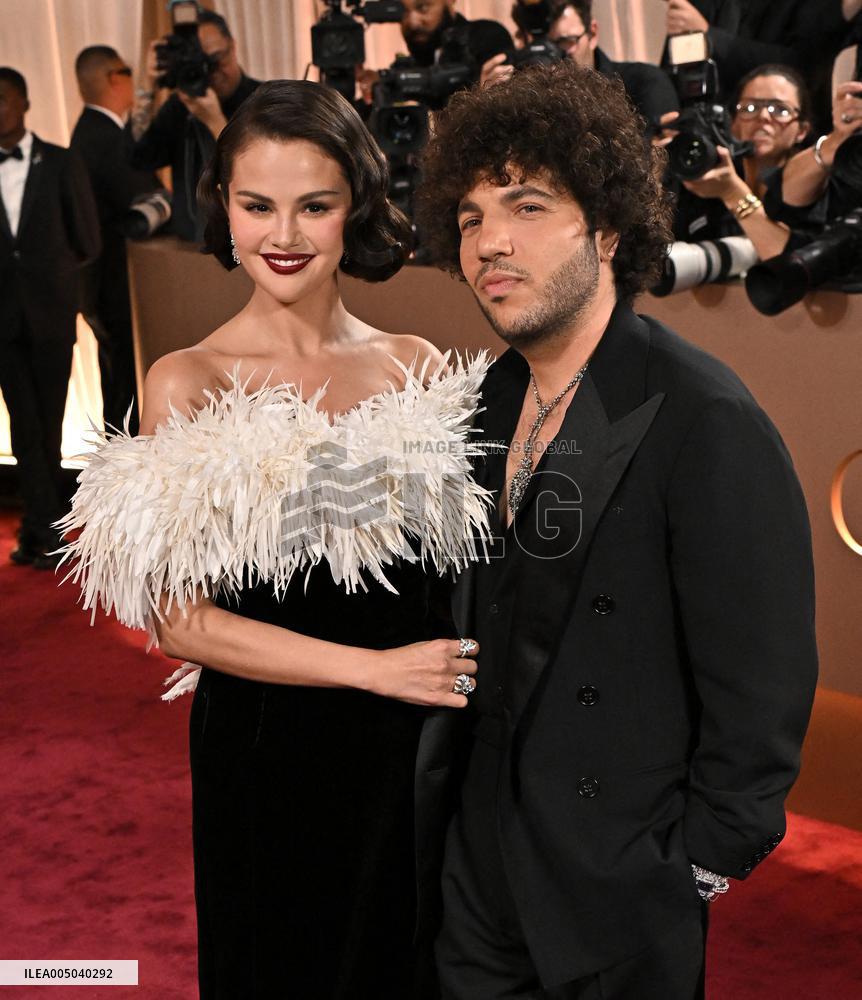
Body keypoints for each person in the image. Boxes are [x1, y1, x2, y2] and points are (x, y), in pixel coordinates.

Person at [58, 79, 493, 999]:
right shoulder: (188, 381)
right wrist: (372, 670)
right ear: (224, 206)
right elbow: (181, 626)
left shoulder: (415, 364)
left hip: (414, 743)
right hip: (271, 751)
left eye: (314, 206)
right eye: (258, 205)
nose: (284, 235)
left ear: (356, 209)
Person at [414, 62, 818, 998]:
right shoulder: (479, 404)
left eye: (524, 206)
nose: (490, 243)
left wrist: (691, 869)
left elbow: (760, 685)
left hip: (619, 888)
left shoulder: (703, 415)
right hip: (475, 874)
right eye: (471, 217)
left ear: (604, 227)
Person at [0, 67, 100, 569]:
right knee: (23, 422)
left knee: (50, 418)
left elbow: (87, 237)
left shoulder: (61, 162)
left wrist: (56, 282)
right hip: (2, 317)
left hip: (51, 311)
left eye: (2, 99)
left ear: (24, 102)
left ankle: (45, 524)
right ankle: (43, 525)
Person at [71, 45, 161, 436]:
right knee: (126, 393)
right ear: (113, 77)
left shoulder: (89, 131)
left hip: (98, 286)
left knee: (117, 385)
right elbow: (146, 196)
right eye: (128, 72)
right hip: (116, 285)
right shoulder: (105, 136)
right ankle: (123, 481)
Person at [129, 9, 260, 241]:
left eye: (217, 59)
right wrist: (147, 89)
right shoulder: (179, 108)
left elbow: (262, 175)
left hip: (250, 246)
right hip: (190, 245)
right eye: (201, 63)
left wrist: (215, 121)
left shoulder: (267, 100)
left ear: (233, 45)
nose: (211, 71)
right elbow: (140, 158)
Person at [664, 64, 813, 260]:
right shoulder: (707, 179)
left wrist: (732, 193)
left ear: (802, 131)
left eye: (780, 110)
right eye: (749, 108)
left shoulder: (814, 188)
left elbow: (793, 266)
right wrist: (657, 174)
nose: (763, 117)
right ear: (733, 123)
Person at [662, 0, 854, 138]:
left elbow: (804, 66)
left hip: (783, 142)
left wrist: (709, 35)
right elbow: (674, 70)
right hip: (706, 133)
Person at [482, 1, 678, 134]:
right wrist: (490, 107)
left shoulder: (642, 84)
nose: (552, 55)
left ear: (592, 33)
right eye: (541, 45)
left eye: (565, 41)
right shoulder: (516, 99)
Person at [357, 0, 513, 108]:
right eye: (402, 12)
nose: (413, 22)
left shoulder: (486, 37)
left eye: (423, 7)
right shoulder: (405, 69)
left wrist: (485, 94)